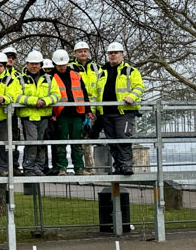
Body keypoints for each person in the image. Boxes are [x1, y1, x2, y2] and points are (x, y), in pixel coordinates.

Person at [94, 42, 145, 175]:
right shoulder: (102, 72)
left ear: (122, 54)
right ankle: (118, 167)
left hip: (124, 112)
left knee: (123, 139)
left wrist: (132, 97)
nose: (113, 55)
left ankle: (126, 166)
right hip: (106, 113)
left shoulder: (131, 71)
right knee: (112, 142)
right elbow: (95, 93)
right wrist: (93, 109)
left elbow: (139, 87)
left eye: (115, 53)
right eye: (110, 53)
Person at [15, 50, 61, 176]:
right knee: (32, 142)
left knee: (41, 142)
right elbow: (16, 96)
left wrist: (45, 101)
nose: (34, 66)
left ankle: (38, 167)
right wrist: (35, 101)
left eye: (37, 64)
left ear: (41, 65)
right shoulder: (20, 79)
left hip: (44, 115)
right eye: (32, 64)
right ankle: (29, 168)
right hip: (28, 116)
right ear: (27, 64)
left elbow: (57, 95)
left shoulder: (49, 79)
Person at [51, 49, 93, 176]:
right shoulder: (51, 77)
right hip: (61, 115)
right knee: (61, 143)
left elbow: (83, 92)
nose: (62, 67)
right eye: (59, 65)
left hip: (77, 114)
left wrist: (88, 110)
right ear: (55, 64)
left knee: (77, 143)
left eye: (64, 65)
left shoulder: (76, 75)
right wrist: (52, 113)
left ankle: (79, 168)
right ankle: (62, 168)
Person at [0, 52, 21, 177]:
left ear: (5, 66)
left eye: (1, 66)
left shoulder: (11, 80)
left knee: (3, 146)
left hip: (3, 118)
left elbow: (13, 95)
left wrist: (4, 99)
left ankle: (3, 169)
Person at [71, 41, 103, 173]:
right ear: (75, 53)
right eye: (80, 51)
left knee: (90, 138)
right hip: (79, 108)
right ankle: (85, 167)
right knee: (81, 138)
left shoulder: (96, 68)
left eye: (85, 51)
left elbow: (101, 86)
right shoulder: (71, 67)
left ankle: (91, 166)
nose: (83, 53)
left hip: (95, 108)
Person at [3, 45, 23, 172]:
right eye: (8, 57)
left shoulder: (18, 75)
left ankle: (14, 166)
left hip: (13, 112)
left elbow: (21, 91)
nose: (10, 60)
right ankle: (3, 166)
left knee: (14, 139)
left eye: (12, 58)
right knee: (0, 141)